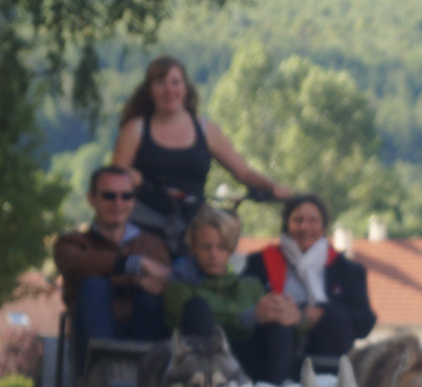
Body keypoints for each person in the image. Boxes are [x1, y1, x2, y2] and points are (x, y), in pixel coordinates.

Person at [112, 55, 292, 259]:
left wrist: (273, 187)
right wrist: (130, 178)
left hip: (193, 228)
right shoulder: (135, 130)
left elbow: (243, 172)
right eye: (160, 83)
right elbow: (113, 180)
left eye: (175, 82)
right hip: (145, 228)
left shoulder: (206, 130)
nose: (169, 90)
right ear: (150, 90)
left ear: (185, 88)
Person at [53, 165, 171, 376]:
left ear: (133, 200)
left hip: (143, 332)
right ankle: (106, 369)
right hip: (91, 337)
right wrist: (137, 266)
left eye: (126, 196)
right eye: (109, 196)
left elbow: (162, 280)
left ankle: (144, 371)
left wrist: (122, 273)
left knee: (152, 297)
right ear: (92, 199)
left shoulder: (155, 246)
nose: (118, 203)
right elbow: (80, 262)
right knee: (93, 285)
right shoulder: (72, 243)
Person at [242, 193, 377, 376]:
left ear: (323, 227)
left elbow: (365, 323)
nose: (305, 227)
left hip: (329, 359)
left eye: (313, 220)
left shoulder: (348, 271)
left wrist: (317, 315)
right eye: (298, 220)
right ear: (286, 225)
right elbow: (240, 315)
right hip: (271, 358)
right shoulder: (259, 264)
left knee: (333, 318)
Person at [162, 205, 293, 385]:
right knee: (197, 308)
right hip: (202, 371)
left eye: (221, 247)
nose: (214, 255)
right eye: (206, 247)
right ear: (193, 248)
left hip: (251, 363)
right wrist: (250, 316)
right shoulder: (177, 288)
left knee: (278, 323)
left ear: (231, 249)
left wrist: (292, 315)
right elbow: (206, 317)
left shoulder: (251, 286)